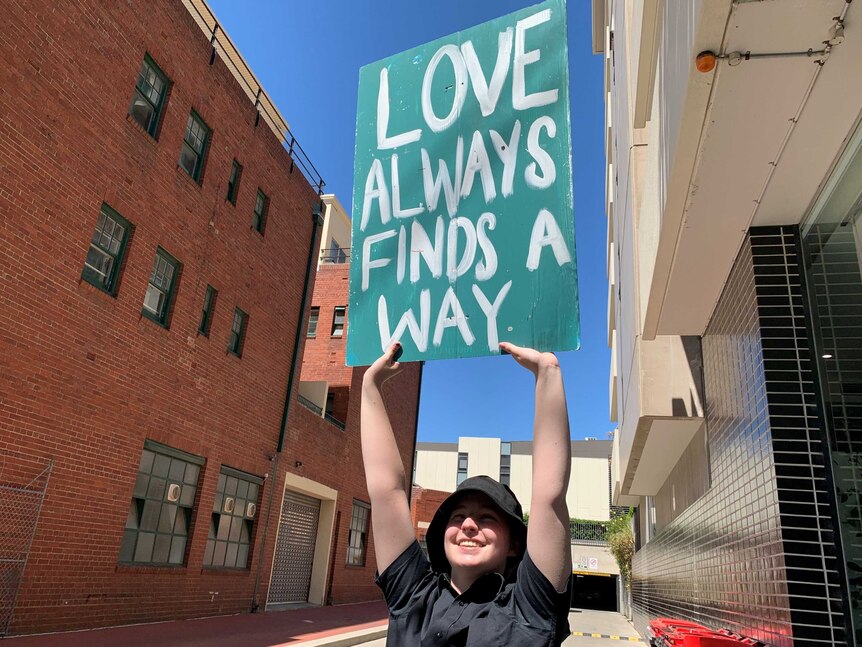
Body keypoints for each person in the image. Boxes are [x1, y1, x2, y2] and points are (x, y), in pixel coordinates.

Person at [361, 340, 573, 646]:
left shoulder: (530, 608)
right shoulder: (413, 597)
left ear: (514, 544)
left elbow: (548, 497)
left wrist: (548, 373)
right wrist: (371, 386)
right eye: (458, 516)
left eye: (487, 517)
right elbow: (387, 492)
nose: (468, 525)